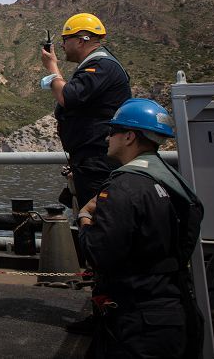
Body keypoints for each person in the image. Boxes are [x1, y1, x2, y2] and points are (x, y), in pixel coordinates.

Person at [77, 99, 205, 358]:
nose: (107, 137)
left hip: (138, 321)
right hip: (177, 307)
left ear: (129, 137)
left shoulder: (123, 188)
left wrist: (84, 217)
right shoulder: (175, 182)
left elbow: (98, 254)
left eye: (113, 131)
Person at [41, 12, 131, 211]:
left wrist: (52, 66)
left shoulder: (101, 66)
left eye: (65, 39)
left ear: (82, 40)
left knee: (97, 223)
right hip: (90, 161)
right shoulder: (95, 65)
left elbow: (67, 97)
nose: (63, 45)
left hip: (99, 161)